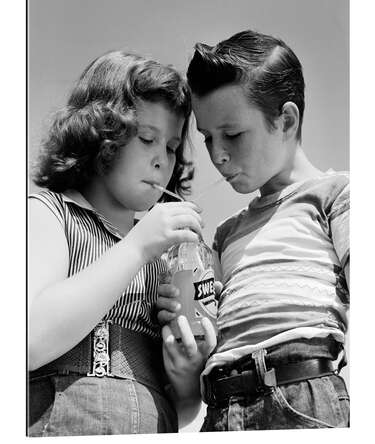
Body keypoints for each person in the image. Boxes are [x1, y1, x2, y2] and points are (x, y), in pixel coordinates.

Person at [157, 29, 350, 431]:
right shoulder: (225, 233)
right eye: (208, 138)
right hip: (222, 409)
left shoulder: (335, 194)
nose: (218, 155)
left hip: (301, 393)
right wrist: (189, 338)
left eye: (233, 134)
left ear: (286, 120)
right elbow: (210, 332)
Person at [28, 50, 216, 436]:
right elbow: (29, 338)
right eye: (148, 138)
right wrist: (135, 248)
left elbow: (180, 411)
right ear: (100, 133)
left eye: (171, 146)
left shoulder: (165, 260)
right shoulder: (51, 213)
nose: (162, 160)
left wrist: (186, 373)